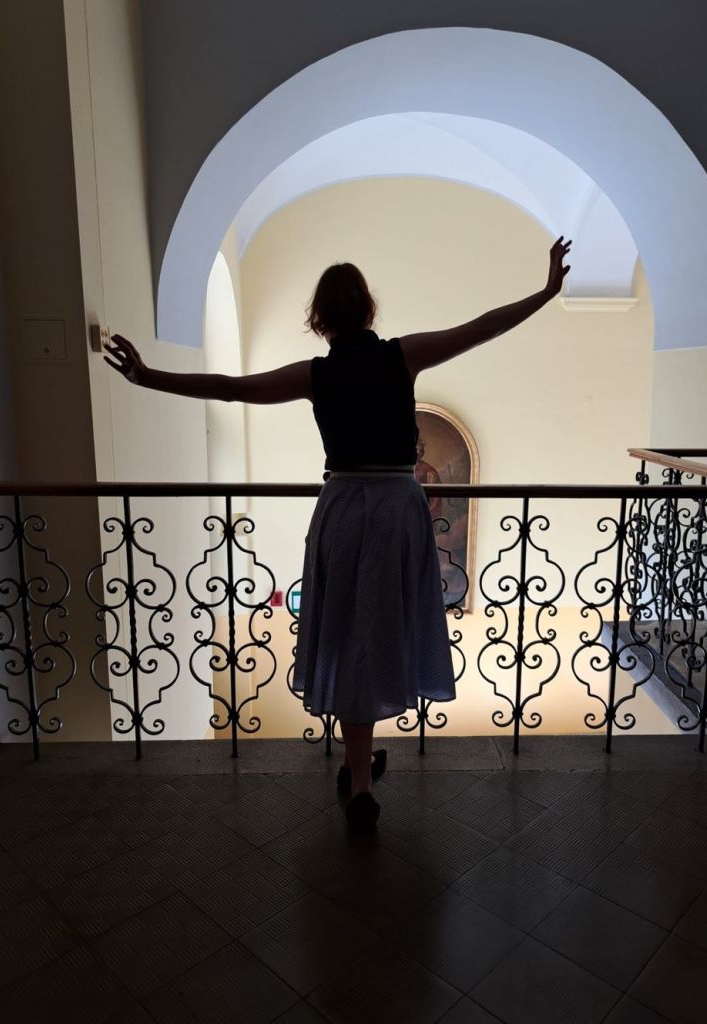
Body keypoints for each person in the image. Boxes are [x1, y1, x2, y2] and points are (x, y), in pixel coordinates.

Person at [104, 236, 571, 831]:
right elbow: (482, 327)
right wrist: (545, 292)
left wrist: (148, 377)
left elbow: (229, 386)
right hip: (398, 509)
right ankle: (360, 769)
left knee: (350, 638)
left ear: (319, 320)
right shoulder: (403, 356)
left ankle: (359, 773)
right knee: (384, 629)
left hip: (345, 508)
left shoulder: (316, 375)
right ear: (369, 310)